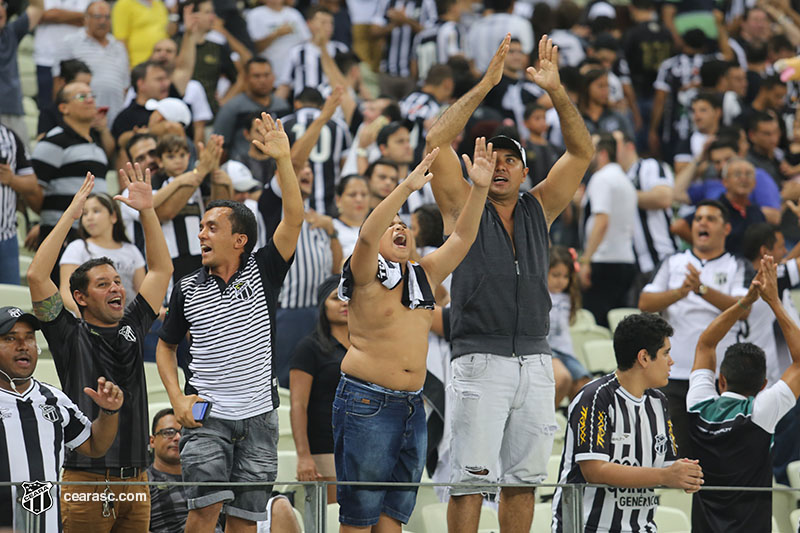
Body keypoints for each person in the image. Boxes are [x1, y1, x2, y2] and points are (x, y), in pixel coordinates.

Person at [424, 35, 594, 533]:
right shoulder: (463, 203)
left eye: (509, 160)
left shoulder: (540, 206)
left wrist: (556, 91)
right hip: (479, 355)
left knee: (524, 481)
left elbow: (582, 151)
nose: (499, 166)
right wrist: (486, 85)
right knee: (471, 480)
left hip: (537, 359)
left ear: (524, 170)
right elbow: (435, 142)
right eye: (491, 157)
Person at [334, 136, 492, 532]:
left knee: (394, 516)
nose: (399, 226)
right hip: (367, 400)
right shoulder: (364, 272)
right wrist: (406, 187)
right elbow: (366, 236)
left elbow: (463, 238)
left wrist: (480, 189)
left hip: (412, 405)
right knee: (359, 517)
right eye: (391, 225)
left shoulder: (424, 274)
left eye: (403, 225)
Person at [156, 113, 304, 531]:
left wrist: (284, 160)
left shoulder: (264, 269)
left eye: (211, 227)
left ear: (239, 240)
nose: (201, 234)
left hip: (260, 418)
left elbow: (293, 219)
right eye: (202, 227)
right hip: (207, 417)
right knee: (203, 513)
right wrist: (177, 399)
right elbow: (166, 346)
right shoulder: (187, 286)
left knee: (245, 521)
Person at [26, 165, 172, 532]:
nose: (116, 288)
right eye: (103, 284)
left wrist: (148, 210)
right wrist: (70, 216)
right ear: (80, 297)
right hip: (86, 479)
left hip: (137, 479)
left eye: (118, 282)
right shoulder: (67, 332)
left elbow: (160, 270)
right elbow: (36, 276)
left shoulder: (134, 324)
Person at [551, 313, 704, 532]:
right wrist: (665, 475)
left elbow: (666, 465)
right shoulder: (595, 398)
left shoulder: (659, 402)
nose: (671, 361)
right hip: (588, 527)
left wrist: (684, 473)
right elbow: (595, 470)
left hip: (642, 527)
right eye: (666, 353)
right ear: (644, 358)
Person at [688, 255, 800, 532]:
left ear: (721, 380)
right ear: (763, 385)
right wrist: (773, 301)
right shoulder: (761, 412)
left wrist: (745, 302)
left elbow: (705, 344)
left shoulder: (698, 406)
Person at [639, 200, 749, 456]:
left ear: (726, 228)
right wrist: (681, 292)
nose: (702, 223)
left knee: (718, 455)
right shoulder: (672, 262)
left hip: (719, 377)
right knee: (675, 455)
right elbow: (645, 303)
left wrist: (702, 290)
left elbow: (744, 308)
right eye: (698, 218)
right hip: (673, 374)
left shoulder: (737, 264)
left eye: (711, 219)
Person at [0, 305, 124, 532]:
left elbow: (95, 446)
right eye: (10, 338)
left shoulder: (54, 398)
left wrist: (108, 412)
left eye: (29, 337)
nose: (23, 345)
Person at [290, 275, 349, 504]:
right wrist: (304, 455)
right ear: (323, 305)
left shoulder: (367, 346)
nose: (344, 302)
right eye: (336, 298)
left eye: (348, 296)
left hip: (365, 446)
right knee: (335, 517)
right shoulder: (309, 348)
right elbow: (298, 405)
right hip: (326, 447)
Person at [32, 81, 109, 245]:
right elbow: (33, 189)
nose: (90, 100)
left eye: (91, 95)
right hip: (63, 236)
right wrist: (49, 222)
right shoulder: (53, 141)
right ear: (64, 108)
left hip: (94, 235)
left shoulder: (96, 145)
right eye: (81, 97)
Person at [580, 132, 638, 327]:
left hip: (603, 261)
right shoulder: (625, 180)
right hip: (625, 259)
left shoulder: (602, 178)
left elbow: (602, 220)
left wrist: (586, 260)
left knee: (596, 325)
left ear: (603, 153)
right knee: (618, 325)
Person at [60, 192, 145, 316]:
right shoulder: (77, 248)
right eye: (85, 213)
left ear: (113, 216)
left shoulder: (131, 250)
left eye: (96, 211)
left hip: (127, 320)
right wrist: (84, 314)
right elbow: (66, 291)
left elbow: (141, 292)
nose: (89, 217)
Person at [52, 1, 130, 125]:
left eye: (107, 17)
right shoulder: (70, 42)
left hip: (115, 117)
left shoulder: (119, 47)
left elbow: (125, 86)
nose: (103, 21)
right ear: (86, 19)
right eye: (97, 16)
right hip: (80, 118)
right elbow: (59, 83)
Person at [147, 408, 224, 533]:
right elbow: (132, 526)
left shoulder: (205, 475)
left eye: (183, 432)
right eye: (169, 432)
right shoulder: (143, 481)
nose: (178, 437)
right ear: (152, 441)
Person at [213, 57, 290, 161]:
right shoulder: (231, 107)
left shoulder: (282, 106)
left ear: (273, 77)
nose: (262, 80)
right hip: (242, 166)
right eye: (256, 76)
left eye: (266, 75)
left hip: (277, 165)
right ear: (246, 79)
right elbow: (220, 146)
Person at [547, 246, 592, 407]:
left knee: (586, 387)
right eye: (555, 275)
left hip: (565, 352)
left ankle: (576, 422)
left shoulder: (568, 297)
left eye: (566, 276)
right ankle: (546, 418)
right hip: (546, 350)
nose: (561, 280)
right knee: (562, 379)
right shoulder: (540, 294)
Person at [0, 122, 40, 285]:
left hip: (5, 237)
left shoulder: (8, 137)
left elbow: (31, 183)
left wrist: (11, 179)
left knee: (10, 299)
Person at [0, 0, 44, 143]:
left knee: (21, 156)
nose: (0, 10)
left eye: (2, 5)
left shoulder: (11, 32)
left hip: (13, 111)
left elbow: (37, 7)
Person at [111, 0, 168, 66]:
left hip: (162, 62)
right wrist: (126, 66)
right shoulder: (123, 4)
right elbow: (120, 40)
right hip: (137, 64)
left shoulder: (159, 4)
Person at [332, 174, 369, 260]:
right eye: (352, 195)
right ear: (338, 200)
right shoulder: (330, 227)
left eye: (364, 195)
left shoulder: (378, 229)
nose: (359, 199)